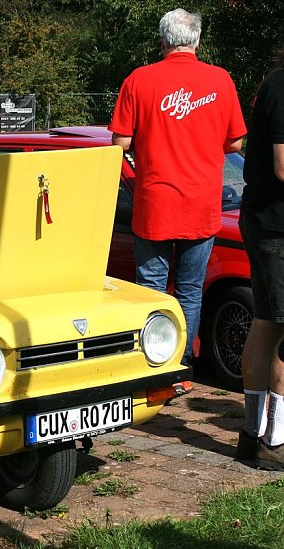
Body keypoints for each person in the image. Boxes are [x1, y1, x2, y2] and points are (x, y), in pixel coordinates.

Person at [108, 8, 246, 366]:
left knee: (150, 289)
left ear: (162, 40)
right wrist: (202, 142)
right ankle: (181, 363)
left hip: (155, 201)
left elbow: (119, 143)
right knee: (189, 291)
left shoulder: (139, 80)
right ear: (197, 41)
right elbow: (236, 144)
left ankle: (150, 363)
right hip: (202, 202)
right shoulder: (220, 79)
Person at [237, 48, 284, 469]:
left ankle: (256, 434)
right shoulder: (282, 86)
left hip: (268, 221)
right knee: (277, 324)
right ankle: (272, 438)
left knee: (269, 322)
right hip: (274, 226)